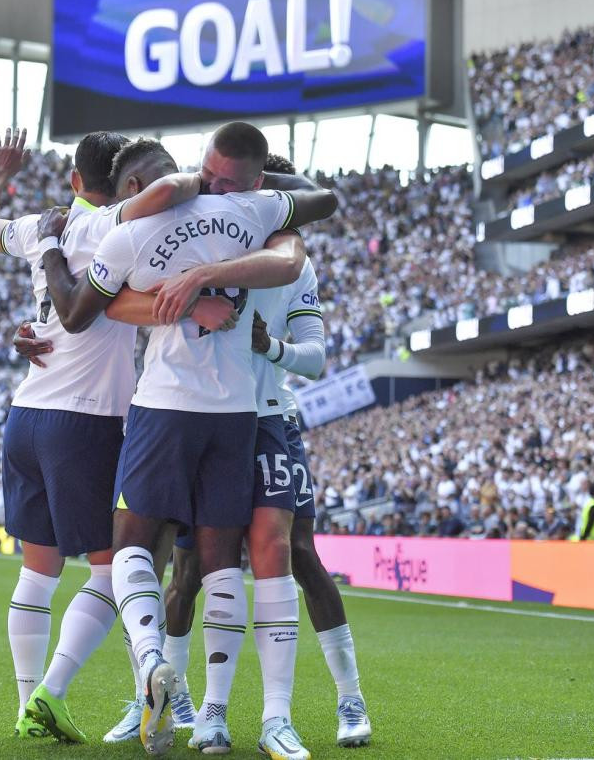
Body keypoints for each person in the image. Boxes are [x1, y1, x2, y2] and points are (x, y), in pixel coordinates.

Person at [38, 124, 336, 756]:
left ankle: (151, 667)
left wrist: (54, 254)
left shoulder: (130, 231)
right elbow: (320, 205)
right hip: (234, 413)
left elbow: (80, 311)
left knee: (131, 548)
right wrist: (207, 274)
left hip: (164, 407)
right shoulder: (256, 211)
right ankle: (215, 721)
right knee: (221, 561)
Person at [0, 129, 236, 743]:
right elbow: (160, 195)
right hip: (85, 420)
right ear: (121, 185)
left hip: (26, 414)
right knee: (113, 568)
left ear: (71, 180)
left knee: (36, 571)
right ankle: (125, 676)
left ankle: (26, 706)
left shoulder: (44, 227)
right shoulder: (109, 223)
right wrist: (209, 182)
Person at [154, 152, 370, 755]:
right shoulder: (200, 247)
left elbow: (314, 356)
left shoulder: (295, 263)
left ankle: (345, 698)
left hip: (270, 421)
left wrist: (269, 346)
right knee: (192, 569)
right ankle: (186, 704)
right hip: (204, 422)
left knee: (296, 554)